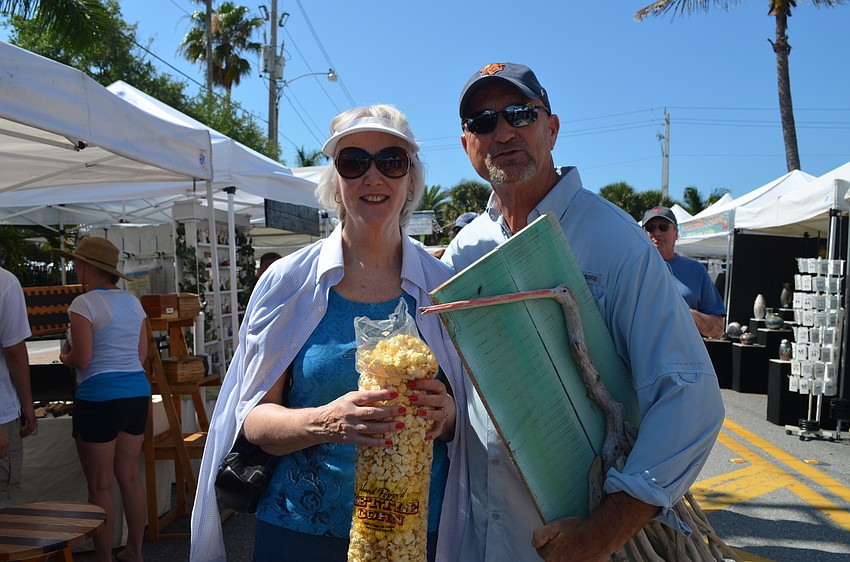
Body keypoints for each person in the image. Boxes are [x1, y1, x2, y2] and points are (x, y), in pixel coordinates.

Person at [441, 62, 725, 562]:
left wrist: (601, 534)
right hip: (477, 539)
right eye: (483, 122)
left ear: (551, 128)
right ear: (468, 144)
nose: (502, 132)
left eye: (519, 114)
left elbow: (690, 396)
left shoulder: (615, 240)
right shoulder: (464, 250)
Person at [191, 104, 469, 562]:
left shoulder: (445, 287)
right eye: (353, 161)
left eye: (391, 161)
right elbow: (253, 419)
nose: (372, 176)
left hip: (411, 532)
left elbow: (477, 416)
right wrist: (327, 421)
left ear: (410, 180)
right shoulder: (288, 282)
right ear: (336, 182)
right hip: (299, 531)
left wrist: (450, 415)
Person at [55, 237, 149, 562]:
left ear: (86, 266)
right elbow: (141, 356)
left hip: (98, 397)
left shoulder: (83, 304)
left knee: (100, 485)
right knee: (130, 477)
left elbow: (82, 359)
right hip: (135, 393)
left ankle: (105, 558)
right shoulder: (133, 303)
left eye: (76, 263)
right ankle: (135, 550)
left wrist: (64, 356)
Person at [641, 206, 726, 338]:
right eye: (650, 228)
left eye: (663, 227)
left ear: (676, 233)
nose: (657, 233)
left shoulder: (696, 271)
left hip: (682, 351)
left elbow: (717, 329)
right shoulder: (631, 270)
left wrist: (686, 314)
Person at [0, 264, 36, 505]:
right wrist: (27, 403)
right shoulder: (5, 282)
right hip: (2, 414)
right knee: (5, 509)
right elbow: (14, 351)